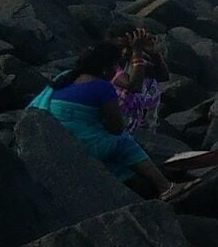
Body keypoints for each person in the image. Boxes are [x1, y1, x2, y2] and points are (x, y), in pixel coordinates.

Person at [28, 44, 173, 194]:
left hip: (49, 135)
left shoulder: (64, 76)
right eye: (115, 65)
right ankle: (165, 187)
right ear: (106, 68)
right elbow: (116, 128)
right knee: (124, 141)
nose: (116, 69)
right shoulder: (102, 87)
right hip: (75, 140)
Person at [112, 30, 167, 134]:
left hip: (143, 128)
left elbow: (162, 75)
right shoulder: (109, 67)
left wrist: (154, 53)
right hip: (121, 130)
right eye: (120, 47)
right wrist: (137, 52)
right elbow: (133, 86)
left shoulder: (137, 64)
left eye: (129, 47)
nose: (125, 51)